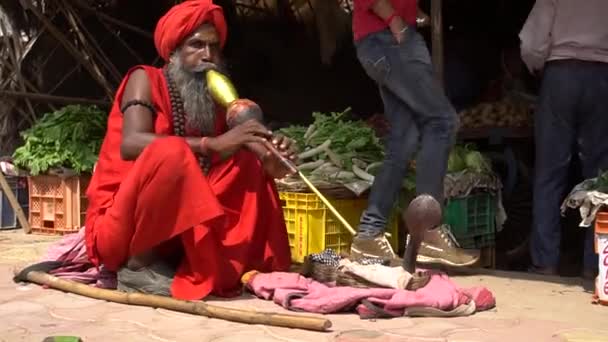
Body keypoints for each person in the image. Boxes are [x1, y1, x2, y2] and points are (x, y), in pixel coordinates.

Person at [84, 0, 298, 301]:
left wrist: (272, 160)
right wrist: (211, 144)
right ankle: (137, 268)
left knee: (245, 161)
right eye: (196, 45)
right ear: (174, 50)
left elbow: (252, 153)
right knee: (172, 154)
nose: (208, 56)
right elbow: (131, 143)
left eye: (213, 47)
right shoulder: (144, 79)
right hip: (120, 233)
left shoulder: (216, 102)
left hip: (176, 234)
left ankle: (227, 264)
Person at [348, 0, 480, 267]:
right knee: (442, 121)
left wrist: (413, 14)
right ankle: (428, 231)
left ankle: (369, 236)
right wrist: (396, 21)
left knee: (404, 141)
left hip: (382, 39)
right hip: (389, 39)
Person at [520, 0, 608, 279]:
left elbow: (531, 44)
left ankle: (546, 263)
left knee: (549, 172)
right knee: (600, 176)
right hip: (602, 78)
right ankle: (594, 265)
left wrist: (536, 68)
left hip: (560, 77)